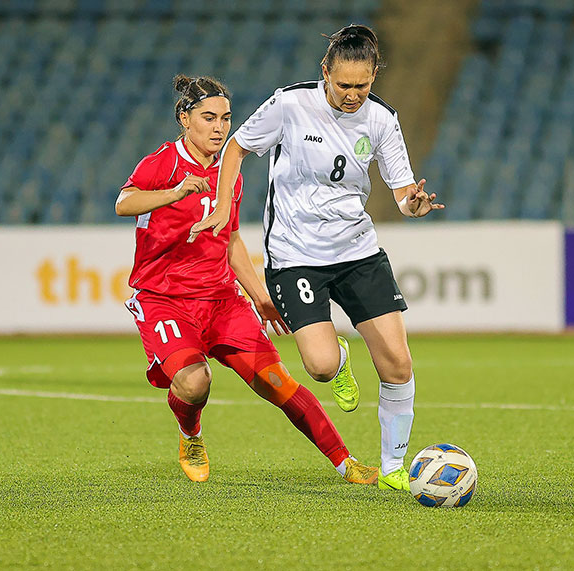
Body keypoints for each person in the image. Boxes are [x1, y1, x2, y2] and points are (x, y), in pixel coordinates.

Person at [189, 25, 443, 491]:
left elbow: (403, 191)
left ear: (373, 78)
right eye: (343, 85)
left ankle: (392, 467)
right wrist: (224, 205)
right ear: (325, 72)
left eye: (362, 86)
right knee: (321, 367)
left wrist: (414, 205)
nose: (352, 95)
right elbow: (237, 147)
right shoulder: (289, 104)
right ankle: (342, 361)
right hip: (296, 256)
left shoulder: (382, 120)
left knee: (398, 364)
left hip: (357, 251)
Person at [115, 73, 378, 485]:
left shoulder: (229, 171)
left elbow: (232, 237)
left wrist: (259, 295)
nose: (220, 127)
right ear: (184, 119)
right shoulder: (162, 163)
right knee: (195, 382)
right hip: (164, 299)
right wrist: (175, 192)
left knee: (276, 381)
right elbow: (123, 201)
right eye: (208, 117)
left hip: (222, 299)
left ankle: (345, 461)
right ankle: (191, 434)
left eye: (225, 118)